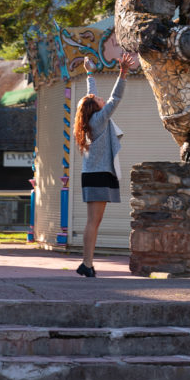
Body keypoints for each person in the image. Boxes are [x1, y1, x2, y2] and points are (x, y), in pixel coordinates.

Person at [73, 51, 136, 277]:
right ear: (95, 108)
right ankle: (86, 263)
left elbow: (92, 94)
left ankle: (87, 263)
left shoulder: (91, 120)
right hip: (98, 174)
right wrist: (123, 73)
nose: (99, 98)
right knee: (93, 221)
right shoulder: (99, 120)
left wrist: (90, 73)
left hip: (95, 173)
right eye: (97, 100)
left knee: (94, 221)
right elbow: (114, 99)